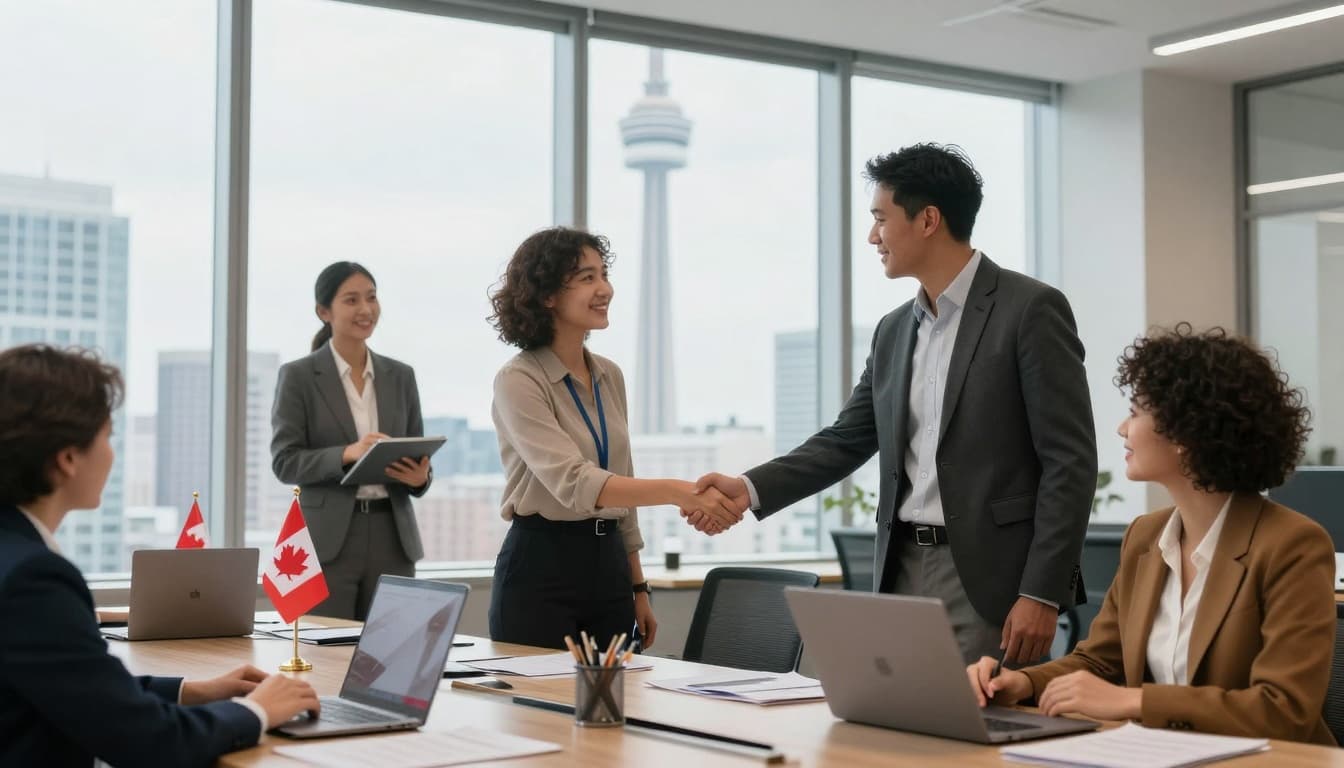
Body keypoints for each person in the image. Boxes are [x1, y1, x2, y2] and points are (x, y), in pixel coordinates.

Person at [691, 143, 1097, 664]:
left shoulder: (1030, 309)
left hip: (990, 578)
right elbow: (846, 439)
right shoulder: (892, 330)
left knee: (976, 735)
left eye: (881, 219)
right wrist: (748, 489)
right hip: (899, 565)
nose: (872, 236)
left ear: (928, 220)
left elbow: (1071, 460)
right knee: (897, 731)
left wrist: (1042, 592)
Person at [968, 324, 1335, 745]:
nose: (1123, 428)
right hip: (1162, 753)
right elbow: (1100, 662)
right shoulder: (1145, 536)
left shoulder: (1293, 545)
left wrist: (1135, 702)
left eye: (1137, 411)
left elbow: (1283, 710)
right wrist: (1020, 683)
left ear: (1185, 431)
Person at [0, 344, 320, 767]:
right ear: (68, 459)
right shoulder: (34, 579)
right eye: (108, 436)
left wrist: (191, 690)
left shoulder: (14, 556)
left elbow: (75, 686)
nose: (113, 453)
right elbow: (152, 742)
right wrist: (258, 710)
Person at [486, 227, 740, 651]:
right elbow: (575, 481)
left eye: (604, 274)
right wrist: (681, 492)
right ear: (547, 295)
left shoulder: (609, 374)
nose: (605, 288)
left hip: (609, 569)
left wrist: (638, 587)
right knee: (541, 712)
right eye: (587, 278)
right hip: (542, 567)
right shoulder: (518, 379)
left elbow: (621, 479)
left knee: (616, 709)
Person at [271, 262, 432, 620]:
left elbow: (418, 454)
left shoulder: (401, 376)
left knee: (392, 651)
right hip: (330, 540)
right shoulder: (299, 376)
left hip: (394, 533)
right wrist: (349, 453)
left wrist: (421, 478)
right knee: (327, 653)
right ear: (324, 311)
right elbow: (284, 462)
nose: (366, 309)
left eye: (372, 298)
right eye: (352, 300)